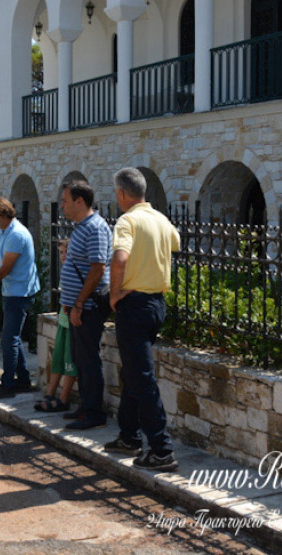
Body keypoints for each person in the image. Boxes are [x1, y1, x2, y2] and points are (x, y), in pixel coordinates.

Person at [103, 167, 180, 472]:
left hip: (134, 306)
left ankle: (161, 449)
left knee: (142, 378)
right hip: (157, 304)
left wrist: (114, 293)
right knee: (135, 374)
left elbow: (120, 257)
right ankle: (129, 436)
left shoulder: (128, 220)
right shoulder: (160, 219)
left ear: (122, 194)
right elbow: (176, 242)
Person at [58, 181, 112, 430]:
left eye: (65, 201)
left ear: (80, 201)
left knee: (89, 359)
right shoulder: (81, 227)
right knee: (80, 358)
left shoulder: (96, 228)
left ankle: (94, 413)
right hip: (77, 305)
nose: (62, 205)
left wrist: (79, 302)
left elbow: (98, 268)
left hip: (87, 306)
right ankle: (86, 406)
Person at [0, 197, 40, 399]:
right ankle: (22, 380)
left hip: (19, 293)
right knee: (13, 338)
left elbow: (4, 269)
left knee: (8, 339)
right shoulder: (5, 233)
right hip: (12, 291)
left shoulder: (16, 235)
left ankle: (8, 384)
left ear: (4, 215)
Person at [34, 238, 77, 412]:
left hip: (72, 321)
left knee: (70, 361)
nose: (63, 256)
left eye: (67, 252)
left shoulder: (75, 269)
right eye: (61, 252)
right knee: (57, 358)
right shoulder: (65, 269)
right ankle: (50, 393)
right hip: (63, 321)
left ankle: (63, 398)